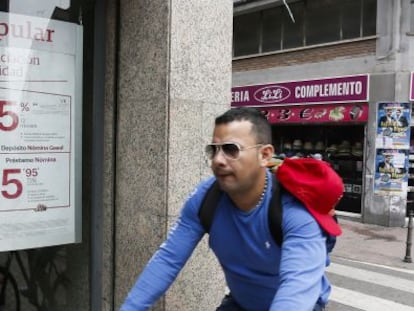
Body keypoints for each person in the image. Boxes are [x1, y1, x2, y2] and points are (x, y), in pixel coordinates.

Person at [120, 107, 342, 311]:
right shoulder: (206, 198)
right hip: (241, 304)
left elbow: (296, 288)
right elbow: (168, 260)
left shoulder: (293, 211)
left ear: (264, 155)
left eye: (230, 150)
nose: (218, 160)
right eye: (213, 150)